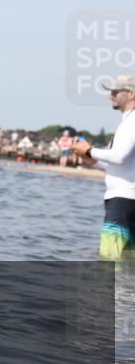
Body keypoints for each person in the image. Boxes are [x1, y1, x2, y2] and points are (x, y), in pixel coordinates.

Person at [73, 75, 135, 262]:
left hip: (123, 201)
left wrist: (89, 151)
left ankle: (109, 291)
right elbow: (122, 164)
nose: (111, 95)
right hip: (127, 200)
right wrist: (92, 161)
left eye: (116, 91)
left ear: (131, 94)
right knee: (127, 263)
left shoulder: (132, 122)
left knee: (109, 258)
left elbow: (118, 156)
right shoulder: (128, 122)